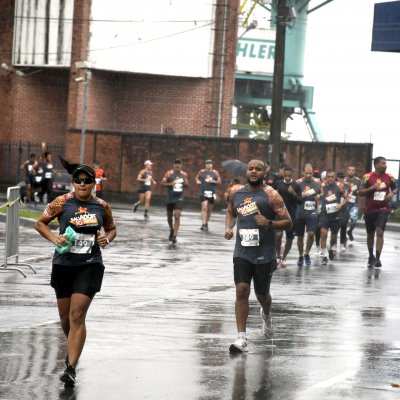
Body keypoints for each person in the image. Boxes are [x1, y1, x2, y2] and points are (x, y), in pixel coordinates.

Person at [35, 159, 117, 386]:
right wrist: (54, 237)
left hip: (90, 264)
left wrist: (106, 238)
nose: (82, 184)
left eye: (87, 180)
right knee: (65, 319)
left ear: (93, 183)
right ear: (73, 183)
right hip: (63, 264)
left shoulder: (102, 205)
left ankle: (71, 367)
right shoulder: (62, 202)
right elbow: (40, 223)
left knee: (77, 315)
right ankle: (74, 347)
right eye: (78, 180)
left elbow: (111, 229)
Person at [225, 159, 292, 354]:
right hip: (242, 252)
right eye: (251, 168)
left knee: (262, 295)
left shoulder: (272, 195)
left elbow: (288, 222)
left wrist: (269, 223)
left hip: (264, 252)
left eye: (258, 169)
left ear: (265, 173)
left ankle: (267, 312)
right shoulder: (236, 193)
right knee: (242, 290)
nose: (254, 171)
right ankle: (241, 338)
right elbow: (231, 212)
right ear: (247, 171)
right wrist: (229, 228)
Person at [359, 156, 398, 268]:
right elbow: (360, 192)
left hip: (383, 209)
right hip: (370, 209)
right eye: (383, 163)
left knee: (380, 231)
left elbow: (395, 188)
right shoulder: (367, 177)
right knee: (370, 234)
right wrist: (371, 188)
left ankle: (377, 258)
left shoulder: (389, 177)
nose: (385, 165)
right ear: (376, 165)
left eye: (386, 163)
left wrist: (391, 193)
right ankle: (371, 256)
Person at [319, 169, 349, 265]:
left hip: (335, 214)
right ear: (326, 177)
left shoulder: (339, 186)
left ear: (335, 177)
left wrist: (340, 205)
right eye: (329, 177)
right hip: (324, 214)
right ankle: (324, 256)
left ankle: (330, 247)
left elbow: (346, 198)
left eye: (332, 177)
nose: (331, 178)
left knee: (334, 237)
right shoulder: (321, 186)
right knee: (323, 233)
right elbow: (316, 196)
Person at [273, 165, 300, 268]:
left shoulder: (296, 185)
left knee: (289, 237)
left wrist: (293, 194)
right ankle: (277, 256)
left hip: (291, 215)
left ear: (292, 175)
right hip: (279, 214)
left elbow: (300, 201)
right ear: (283, 175)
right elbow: (271, 195)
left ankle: (284, 258)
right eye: (285, 175)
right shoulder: (278, 183)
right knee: (278, 235)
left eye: (289, 176)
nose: (287, 177)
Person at [295, 163, 321, 266]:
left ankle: (307, 253)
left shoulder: (317, 182)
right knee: (300, 237)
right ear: (303, 172)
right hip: (300, 212)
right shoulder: (297, 183)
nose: (309, 175)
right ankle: (301, 255)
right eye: (306, 173)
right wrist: (303, 194)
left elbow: (321, 193)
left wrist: (318, 197)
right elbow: (295, 197)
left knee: (311, 234)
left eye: (310, 173)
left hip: (312, 212)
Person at [161, 159, 189, 244]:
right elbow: (162, 183)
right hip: (170, 197)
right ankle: (171, 229)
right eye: (175, 163)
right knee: (169, 217)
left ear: (181, 165)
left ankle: (174, 236)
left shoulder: (184, 174)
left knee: (177, 215)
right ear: (173, 165)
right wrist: (170, 184)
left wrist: (185, 182)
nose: (177, 165)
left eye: (179, 164)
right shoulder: (168, 173)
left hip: (179, 197)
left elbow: (187, 184)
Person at [195, 160, 221, 231]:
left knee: (209, 209)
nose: (209, 165)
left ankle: (206, 223)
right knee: (204, 207)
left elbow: (219, 181)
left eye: (210, 164)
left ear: (212, 165)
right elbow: (197, 177)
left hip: (212, 192)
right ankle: (203, 224)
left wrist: (213, 181)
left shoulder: (215, 172)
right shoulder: (202, 171)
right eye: (207, 164)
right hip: (203, 192)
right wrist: (197, 181)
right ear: (205, 165)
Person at [344, 165, 362, 242]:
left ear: (355, 172)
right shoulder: (344, 180)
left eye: (353, 170)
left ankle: (350, 231)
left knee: (354, 220)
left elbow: (360, 193)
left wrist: (360, 204)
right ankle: (343, 236)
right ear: (347, 171)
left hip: (353, 204)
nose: (351, 171)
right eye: (350, 170)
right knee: (344, 220)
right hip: (345, 203)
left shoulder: (358, 181)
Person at [337, 171, 351, 252]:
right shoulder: (334, 184)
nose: (341, 180)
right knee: (335, 227)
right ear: (337, 178)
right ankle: (334, 244)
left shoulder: (348, 185)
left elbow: (349, 195)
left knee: (344, 226)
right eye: (340, 178)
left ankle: (342, 243)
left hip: (345, 207)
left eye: (342, 178)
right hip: (336, 207)